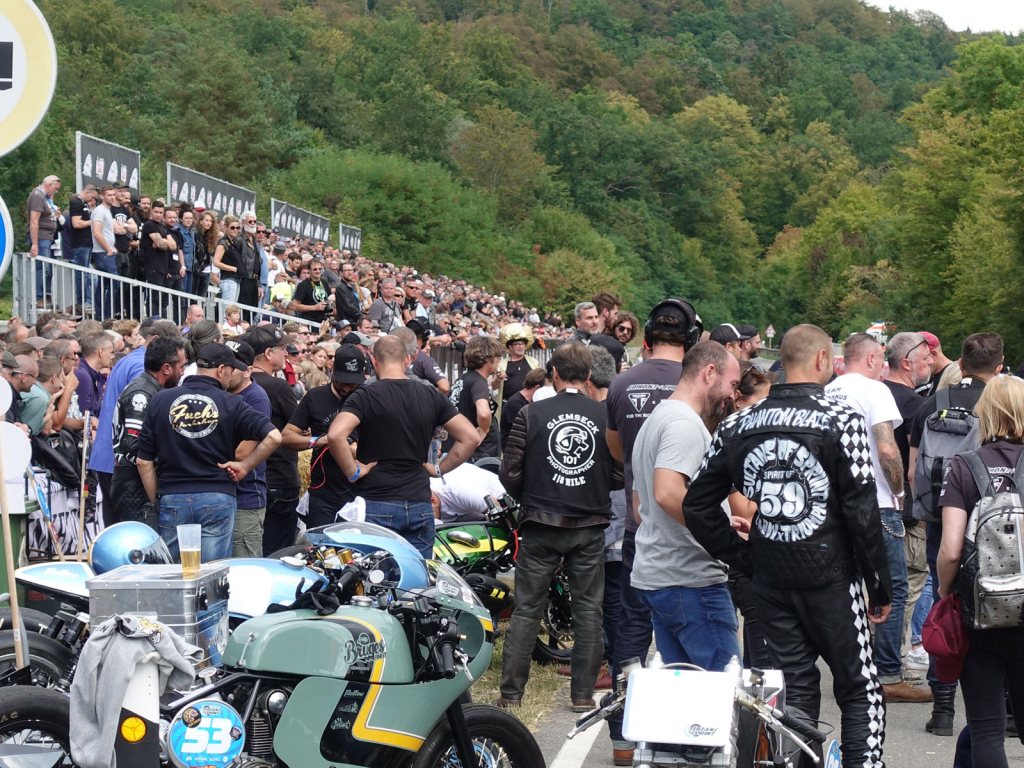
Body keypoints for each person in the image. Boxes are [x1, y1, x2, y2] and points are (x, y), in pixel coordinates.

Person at [685, 324, 892, 768]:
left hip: (771, 578)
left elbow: (696, 503)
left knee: (792, 689)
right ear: (822, 360)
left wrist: (743, 556)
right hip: (832, 578)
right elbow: (862, 509)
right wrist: (879, 584)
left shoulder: (738, 422)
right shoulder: (843, 419)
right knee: (860, 688)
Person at [603, 297, 702, 766]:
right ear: (692, 340)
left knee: (631, 627)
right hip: (688, 529)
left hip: (638, 522)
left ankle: (623, 740)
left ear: (645, 338)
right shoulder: (697, 383)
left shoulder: (621, 383)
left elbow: (617, 450)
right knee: (689, 631)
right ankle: (691, 737)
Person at [497, 342, 622, 713]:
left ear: (553, 374)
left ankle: (511, 695)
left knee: (526, 611)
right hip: (590, 525)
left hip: (541, 523)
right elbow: (619, 472)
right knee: (588, 611)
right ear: (588, 375)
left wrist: (532, 495)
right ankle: (582, 695)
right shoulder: (605, 415)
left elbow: (509, 472)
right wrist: (592, 487)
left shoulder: (531, 413)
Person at [825, 332, 930, 703]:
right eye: (881, 359)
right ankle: (886, 673)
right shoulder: (875, 390)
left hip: (835, 504)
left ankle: (850, 671)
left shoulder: (828, 392)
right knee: (891, 587)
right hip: (876, 503)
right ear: (871, 359)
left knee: (846, 586)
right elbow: (886, 447)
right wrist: (898, 491)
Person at [909, 331, 1005, 736]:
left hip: (941, 518)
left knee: (944, 607)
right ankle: (1005, 709)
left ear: (960, 364)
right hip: (994, 525)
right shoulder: (999, 407)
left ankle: (944, 708)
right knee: (1000, 602)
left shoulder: (932, 404)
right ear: (999, 367)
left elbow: (914, 469)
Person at [631, 341, 741, 669]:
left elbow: (640, 506)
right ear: (709, 373)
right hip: (690, 581)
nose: (733, 395)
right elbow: (666, 493)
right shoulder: (684, 423)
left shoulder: (657, 418)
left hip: (660, 576)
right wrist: (721, 534)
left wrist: (719, 519)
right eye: (732, 384)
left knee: (682, 689)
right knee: (723, 686)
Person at [937, 375, 1024, 768]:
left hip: (981, 613)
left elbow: (951, 551)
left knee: (987, 730)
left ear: (985, 413)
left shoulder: (964, 466)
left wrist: (945, 592)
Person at [326, 335, 479, 558]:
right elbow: (470, 437)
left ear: (374, 361)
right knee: (417, 575)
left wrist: (353, 471)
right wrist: (439, 469)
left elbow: (335, 435)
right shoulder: (430, 394)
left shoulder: (365, 395)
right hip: (419, 502)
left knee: (377, 574)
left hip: (377, 499)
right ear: (407, 360)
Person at [136, 343, 281, 561]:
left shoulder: (160, 400)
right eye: (231, 371)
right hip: (216, 496)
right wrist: (245, 466)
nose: (230, 378)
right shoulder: (232, 403)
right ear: (221, 370)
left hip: (173, 496)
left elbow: (143, 461)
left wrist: (158, 499)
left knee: (173, 572)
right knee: (211, 573)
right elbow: (274, 437)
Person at [882, 333, 933, 672]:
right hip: (906, 512)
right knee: (909, 584)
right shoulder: (914, 405)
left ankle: (882, 657)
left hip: (874, 506)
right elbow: (920, 464)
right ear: (906, 363)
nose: (930, 363)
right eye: (925, 358)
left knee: (883, 585)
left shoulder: (876, 394)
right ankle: (897, 658)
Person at [283, 344, 368, 528]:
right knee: (320, 543)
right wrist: (319, 441)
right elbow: (287, 436)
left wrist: (357, 449)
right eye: (343, 381)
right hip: (323, 492)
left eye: (353, 382)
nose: (348, 387)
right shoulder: (315, 397)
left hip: (360, 493)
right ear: (333, 371)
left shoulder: (367, 397)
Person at [110, 336, 187, 530]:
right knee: (143, 543)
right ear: (166, 368)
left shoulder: (153, 389)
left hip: (141, 481)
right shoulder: (142, 393)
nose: (183, 372)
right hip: (135, 485)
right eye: (181, 367)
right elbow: (133, 445)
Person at [243, 325, 301, 555]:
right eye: (282, 348)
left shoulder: (239, 384)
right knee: (279, 553)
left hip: (250, 482)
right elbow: (300, 428)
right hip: (279, 480)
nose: (286, 353)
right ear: (268, 353)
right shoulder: (278, 387)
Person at [224, 339, 271, 557]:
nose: (227, 371)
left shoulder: (255, 397)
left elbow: (242, 452)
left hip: (246, 498)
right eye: (224, 365)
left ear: (248, 371)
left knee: (245, 565)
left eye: (233, 367)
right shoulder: (222, 393)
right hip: (223, 495)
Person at [448, 335, 503, 463]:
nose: (499, 361)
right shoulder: (478, 383)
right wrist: (484, 430)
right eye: (498, 357)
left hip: (460, 449)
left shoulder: (462, 379)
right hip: (478, 455)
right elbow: (483, 413)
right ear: (489, 359)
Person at [27, 175, 61, 305]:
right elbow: (34, 221)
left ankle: (46, 295)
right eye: (55, 189)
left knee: (48, 268)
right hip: (41, 238)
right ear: (48, 185)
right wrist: (35, 243)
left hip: (48, 237)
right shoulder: (37, 196)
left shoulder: (46, 197)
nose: (56, 191)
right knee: (42, 267)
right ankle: (39, 297)